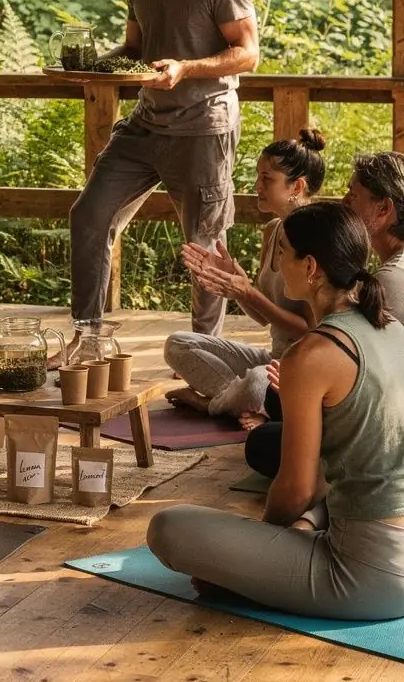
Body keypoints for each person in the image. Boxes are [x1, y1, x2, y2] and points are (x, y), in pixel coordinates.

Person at [148, 201, 404, 620]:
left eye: (282, 251)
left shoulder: (314, 353)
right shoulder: (391, 328)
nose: (275, 262)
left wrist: (246, 562)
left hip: (369, 577)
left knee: (168, 528)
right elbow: (342, 473)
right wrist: (304, 526)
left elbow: (298, 488)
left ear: (311, 267)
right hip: (380, 546)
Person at [69, 0, 259, 336]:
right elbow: (134, 49)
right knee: (89, 215)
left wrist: (186, 68)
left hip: (203, 128)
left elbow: (249, 53)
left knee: (203, 246)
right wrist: (88, 66)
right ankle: (86, 335)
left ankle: (203, 352)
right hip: (145, 126)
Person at [246, 150, 404, 480]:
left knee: (262, 442)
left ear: (385, 209)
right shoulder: (384, 270)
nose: (344, 202)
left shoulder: (390, 279)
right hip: (372, 405)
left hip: (384, 438)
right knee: (276, 398)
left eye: (354, 195)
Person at [165, 130, 325, 422]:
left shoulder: (315, 238)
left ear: (297, 186)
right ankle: (244, 401)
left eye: (267, 178)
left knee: (254, 385)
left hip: (302, 368)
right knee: (178, 344)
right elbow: (265, 317)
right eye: (257, 176)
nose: (257, 185)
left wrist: (247, 292)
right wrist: (237, 286)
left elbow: (308, 329)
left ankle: (215, 403)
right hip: (273, 359)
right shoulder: (274, 229)